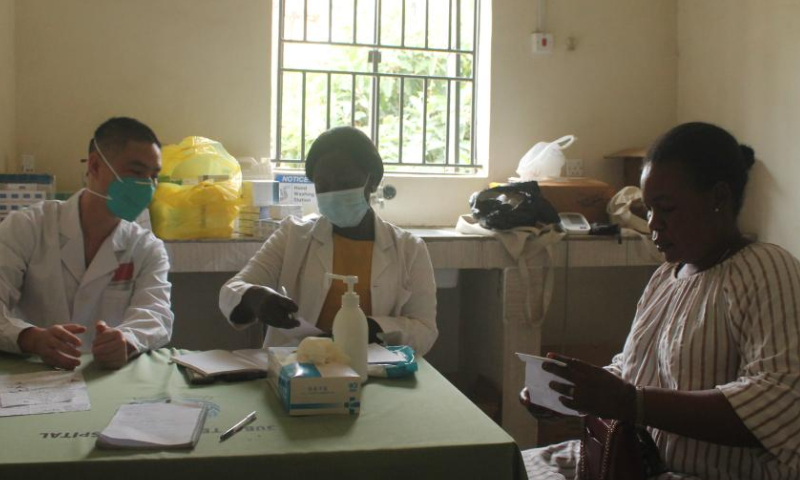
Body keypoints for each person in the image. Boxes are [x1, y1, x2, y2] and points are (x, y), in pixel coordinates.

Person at [520, 122, 800, 479]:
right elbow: (633, 370)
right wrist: (570, 393)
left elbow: (775, 405)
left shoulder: (766, 270)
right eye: (648, 209)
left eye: (666, 209)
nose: (653, 224)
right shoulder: (666, 278)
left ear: (719, 198)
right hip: (634, 464)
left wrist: (628, 402)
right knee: (504, 466)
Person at [219, 126, 438, 355]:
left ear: (372, 181)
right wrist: (254, 298)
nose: (333, 193)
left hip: (374, 369)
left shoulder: (409, 249)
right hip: (297, 368)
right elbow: (231, 290)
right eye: (323, 186)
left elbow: (425, 330)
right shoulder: (292, 236)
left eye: (345, 183)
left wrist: (376, 329)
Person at [0, 117, 174, 370]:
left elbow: (156, 314)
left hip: (104, 375)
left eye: (154, 176)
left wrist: (127, 340)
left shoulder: (147, 248)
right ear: (94, 166)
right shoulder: (27, 227)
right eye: (136, 172)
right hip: (30, 372)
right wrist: (29, 338)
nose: (147, 186)